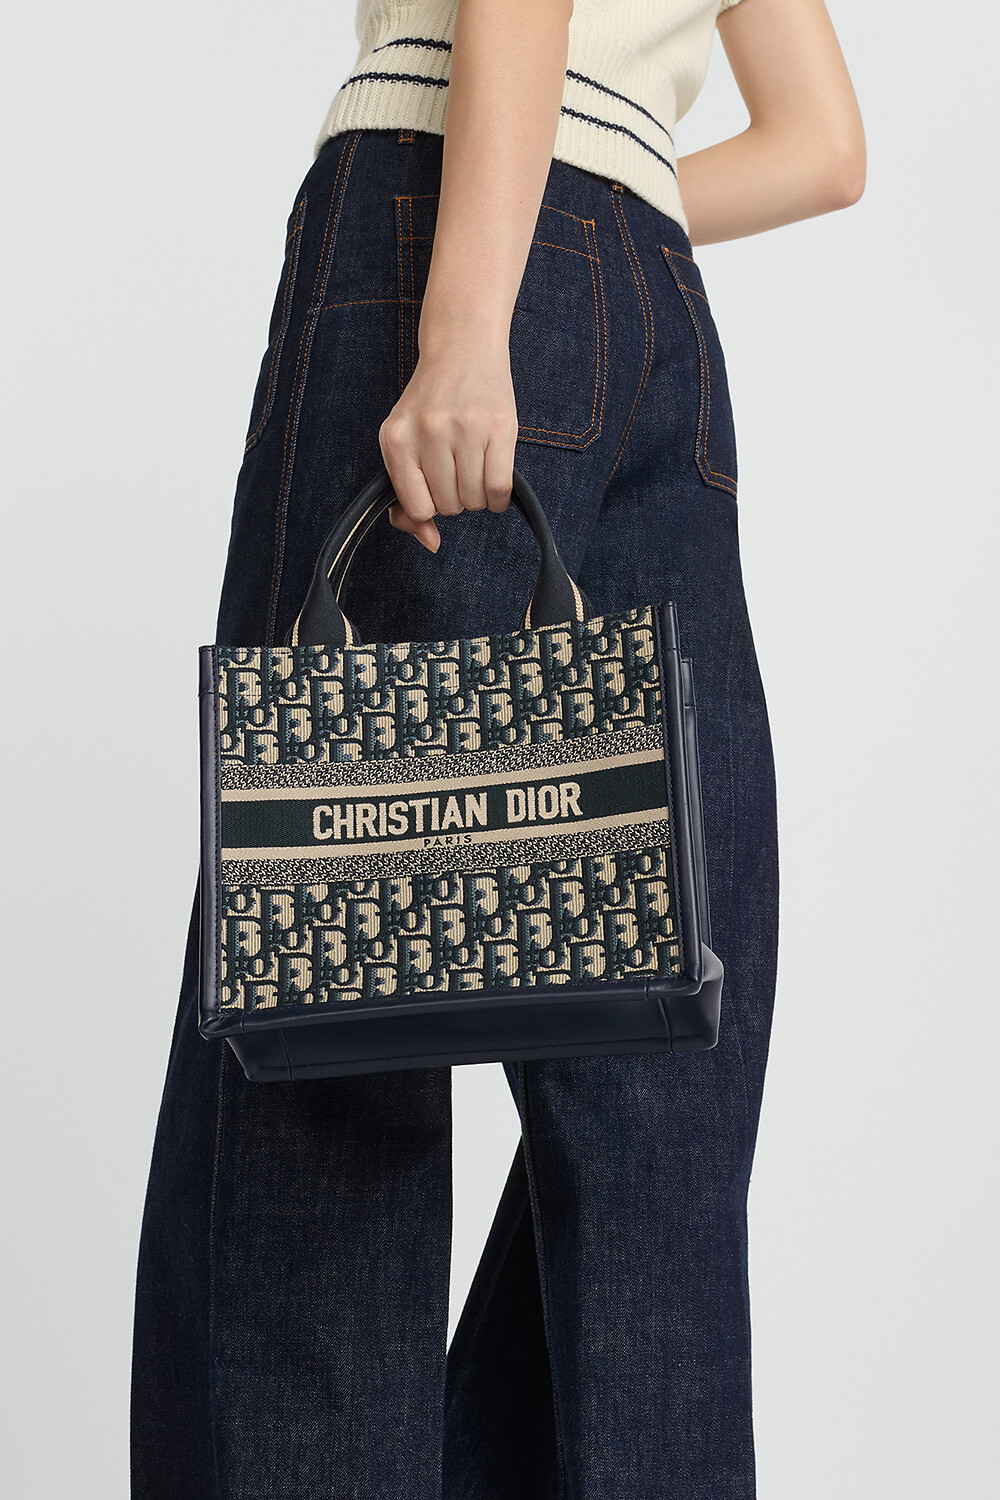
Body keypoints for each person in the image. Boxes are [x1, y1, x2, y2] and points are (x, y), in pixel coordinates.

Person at [130, 1, 864, 1494]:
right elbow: (823, 145)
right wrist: (612, 217)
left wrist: (472, 316)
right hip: (653, 311)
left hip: (440, 222)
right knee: (654, 1064)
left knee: (324, 999)